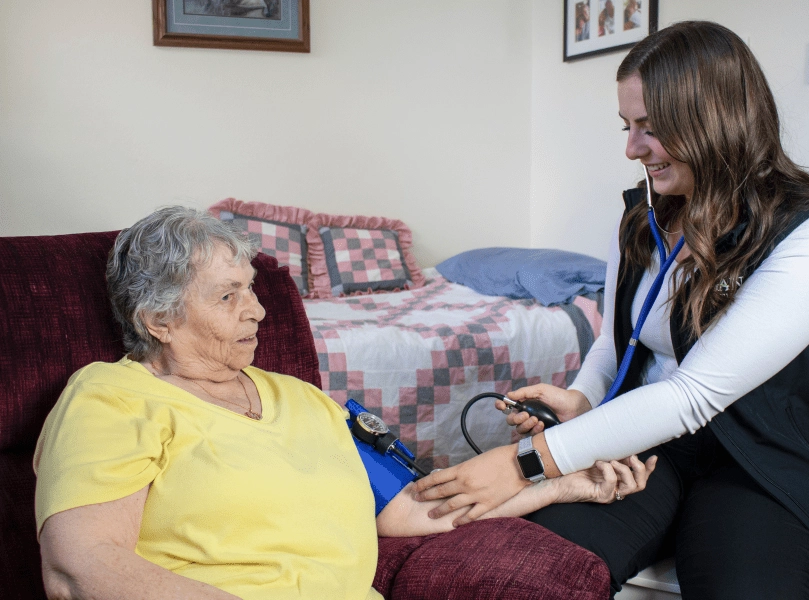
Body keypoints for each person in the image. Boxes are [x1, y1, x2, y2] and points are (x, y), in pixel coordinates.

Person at [413, 21, 809, 598]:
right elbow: (615, 340)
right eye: (628, 127)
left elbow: (694, 394)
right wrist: (582, 398)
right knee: (518, 571)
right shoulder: (641, 219)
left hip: (759, 464)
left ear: (715, 120)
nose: (631, 148)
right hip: (648, 448)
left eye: (650, 129)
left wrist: (525, 463)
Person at [34, 206, 656, 600]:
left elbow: (407, 509)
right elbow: (80, 569)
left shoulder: (304, 399)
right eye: (228, 297)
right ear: (158, 320)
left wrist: (563, 485)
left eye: (251, 288)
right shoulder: (110, 397)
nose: (258, 309)